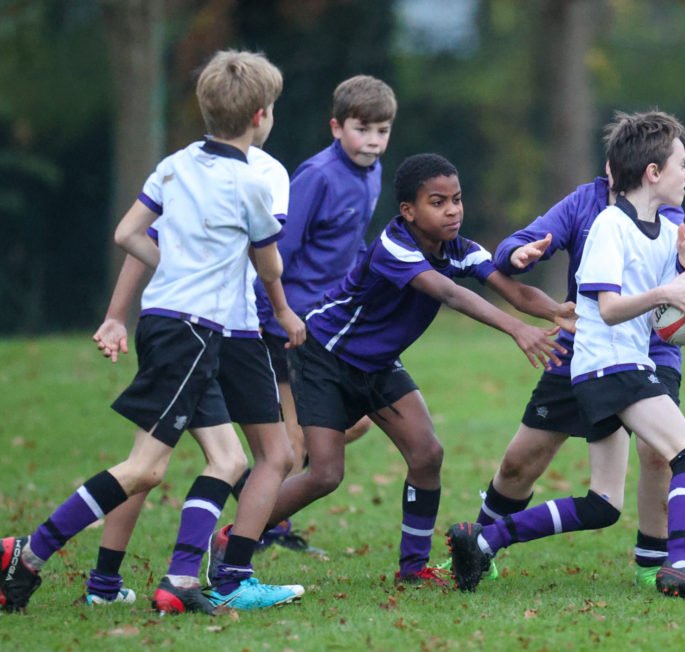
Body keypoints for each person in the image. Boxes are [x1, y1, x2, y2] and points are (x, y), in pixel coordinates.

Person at [0, 49, 288, 614]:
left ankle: (180, 583)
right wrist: (274, 301)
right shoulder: (252, 183)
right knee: (144, 468)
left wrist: (173, 264)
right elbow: (269, 266)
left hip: (167, 324)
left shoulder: (175, 165)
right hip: (193, 333)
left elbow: (127, 233)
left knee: (227, 460)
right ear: (259, 115)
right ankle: (26, 553)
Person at [214, 152, 573, 586]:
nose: (453, 210)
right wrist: (517, 330)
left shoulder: (461, 249)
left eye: (456, 199)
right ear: (409, 211)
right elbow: (449, 294)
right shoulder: (393, 246)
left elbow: (513, 290)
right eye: (437, 202)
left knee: (427, 454)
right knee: (325, 474)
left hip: (378, 365)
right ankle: (233, 538)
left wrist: (557, 311)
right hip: (325, 355)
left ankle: (413, 570)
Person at [446, 110, 685, 599]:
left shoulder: (665, 230)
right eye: (681, 163)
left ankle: (486, 538)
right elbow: (611, 308)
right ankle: (680, 564)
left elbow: (667, 305)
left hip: (625, 365)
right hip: (609, 366)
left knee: (603, 505)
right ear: (652, 173)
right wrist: (666, 294)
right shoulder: (607, 225)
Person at [84, 142, 307, 610]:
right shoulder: (266, 172)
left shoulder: (179, 164)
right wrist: (284, 311)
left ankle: (104, 583)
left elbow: (146, 239)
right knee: (272, 454)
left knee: (147, 462)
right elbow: (264, 257)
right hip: (236, 331)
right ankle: (231, 579)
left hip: (178, 326)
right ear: (261, 113)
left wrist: (115, 314)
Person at [250, 75, 396, 551]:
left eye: (382, 130)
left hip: (331, 323)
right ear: (337, 127)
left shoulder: (372, 173)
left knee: (356, 422)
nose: (372, 141)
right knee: (291, 446)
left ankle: (260, 500)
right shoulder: (315, 177)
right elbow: (278, 250)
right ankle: (259, 531)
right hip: (288, 323)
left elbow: (352, 242)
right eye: (362, 129)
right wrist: (271, 311)